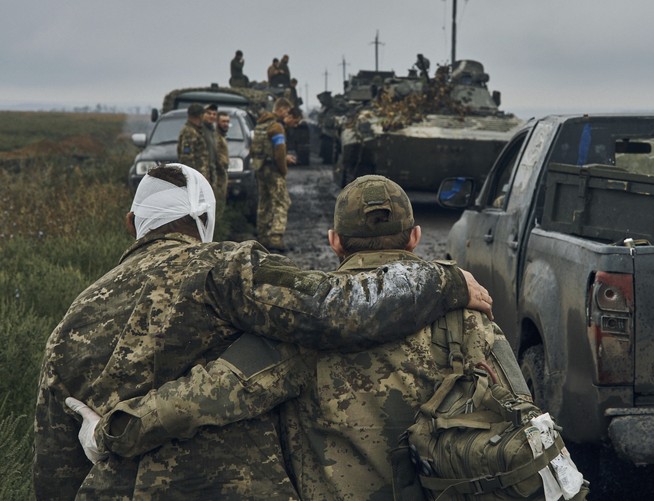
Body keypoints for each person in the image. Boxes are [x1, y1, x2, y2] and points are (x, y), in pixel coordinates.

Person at [33, 165, 492, 500]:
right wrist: (443, 279)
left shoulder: (69, 326)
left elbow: (53, 474)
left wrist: (109, 438)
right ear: (204, 222)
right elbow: (332, 307)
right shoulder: (226, 269)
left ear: (132, 225)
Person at [252, 98, 293, 252]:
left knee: (264, 202)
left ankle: (262, 235)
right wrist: (283, 169)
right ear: (281, 109)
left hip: (260, 167)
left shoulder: (261, 124)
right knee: (282, 201)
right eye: (287, 112)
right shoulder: (276, 127)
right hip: (273, 169)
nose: (287, 115)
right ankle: (276, 237)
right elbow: (279, 151)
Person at [176, 104, 208, 179]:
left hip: (200, 175)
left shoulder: (196, 130)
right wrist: (192, 177)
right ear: (200, 116)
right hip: (195, 176)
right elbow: (187, 157)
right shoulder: (189, 132)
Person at [214, 110, 231, 217]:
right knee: (218, 203)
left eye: (227, 122)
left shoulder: (222, 136)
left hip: (222, 173)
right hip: (217, 175)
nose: (225, 124)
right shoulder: (216, 137)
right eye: (223, 121)